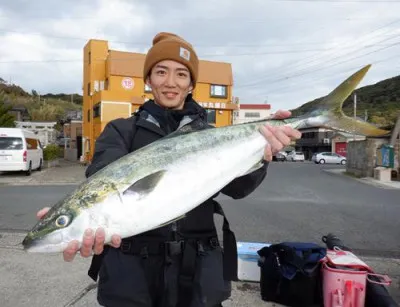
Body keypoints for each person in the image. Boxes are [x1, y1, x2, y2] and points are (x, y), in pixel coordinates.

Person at [36, 32, 301, 307]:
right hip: (131, 276)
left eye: (181, 75)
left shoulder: (215, 137)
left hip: (199, 274)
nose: (171, 83)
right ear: (148, 79)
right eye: (161, 72)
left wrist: (263, 152)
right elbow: (103, 176)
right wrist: (70, 213)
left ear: (190, 85)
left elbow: (239, 188)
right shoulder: (120, 131)